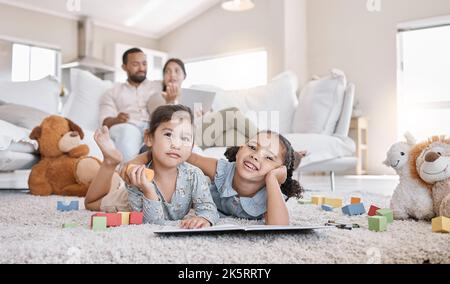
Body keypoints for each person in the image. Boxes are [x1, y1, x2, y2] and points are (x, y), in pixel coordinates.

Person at [127, 131, 304, 225]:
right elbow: (190, 156)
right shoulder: (221, 170)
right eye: (251, 147)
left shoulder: (270, 195)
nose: (256, 156)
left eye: (269, 157)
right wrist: (141, 160)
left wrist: (273, 179)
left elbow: (278, 225)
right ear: (240, 149)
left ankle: (295, 158)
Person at [85, 105, 219, 228]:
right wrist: (148, 190)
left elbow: (208, 208)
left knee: (117, 180)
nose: (176, 144)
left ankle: (116, 174)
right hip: (127, 201)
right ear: (149, 138)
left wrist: (204, 218)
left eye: (185, 138)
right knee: (91, 203)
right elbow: (150, 223)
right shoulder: (137, 177)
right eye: (168, 134)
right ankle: (110, 162)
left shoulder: (194, 175)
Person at [99, 49, 183, 162]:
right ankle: (128, 171)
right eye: (135, 64)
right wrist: (116, 119)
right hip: (127, 125)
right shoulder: (113, 92)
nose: (142, 68)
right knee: (128, 132)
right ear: (124, 67)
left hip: (152, 125)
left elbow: (176, 87)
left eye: (144, 63)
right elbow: (104, 122)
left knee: (163, 133)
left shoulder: (159, 85)